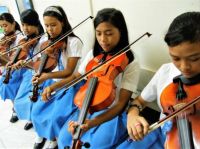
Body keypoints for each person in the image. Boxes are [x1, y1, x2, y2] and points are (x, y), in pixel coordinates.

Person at [51, 8, 140, 149]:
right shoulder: (94, 54)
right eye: (98, 34)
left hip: (112, 114)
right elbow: (76, 76)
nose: (103, 40)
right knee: (64, 139)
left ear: (121, 32)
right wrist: (52, 87)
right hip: (90, 105)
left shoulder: (130, 62)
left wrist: (92, 122)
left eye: (109, 33)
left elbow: (120, 104)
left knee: (92, 146)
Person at [126, 12, 200, 149]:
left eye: (194, 58)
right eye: (176, 58)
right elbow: (139, 101)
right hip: (163, 136)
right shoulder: (166, 71)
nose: (184, 67)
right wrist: (132, 115)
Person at [30, 6, 83, 149]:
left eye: (53, 25)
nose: (49, 29)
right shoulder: (49, 42)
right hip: (54, 81)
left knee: (54, 117)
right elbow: (50, 65)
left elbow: (68, 71)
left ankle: (53, 139)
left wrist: (47, 75)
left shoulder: (73, 42)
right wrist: (42, 67)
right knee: (36, 111)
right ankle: (45, 135)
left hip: (71, 83)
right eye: (46, 26)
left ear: (63, 23)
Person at [12, 9, 44, 131]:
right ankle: (31, 119)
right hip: (29, 73)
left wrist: (25, 63)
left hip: (41, 74)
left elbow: (42, 64)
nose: (25, 28)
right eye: (23, 24)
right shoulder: (26, 40)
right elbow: (25, 59)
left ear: (36, 23)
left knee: (35, 103)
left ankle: (41, 132)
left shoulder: (43, 40)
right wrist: (18, 62)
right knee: (19, 101)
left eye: (28, 24)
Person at [0, 12, 24, 123]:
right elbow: (5, 60)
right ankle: (15, 108)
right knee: (4, 83)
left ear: (13, 24)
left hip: (20, 67)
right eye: (1, 26)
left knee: (8, 85)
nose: (3, 29)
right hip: (9, 67)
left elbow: (16, 58)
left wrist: (5, 55)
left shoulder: (20, 37)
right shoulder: (5, 38)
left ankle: (18, 109)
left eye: (5, 25)